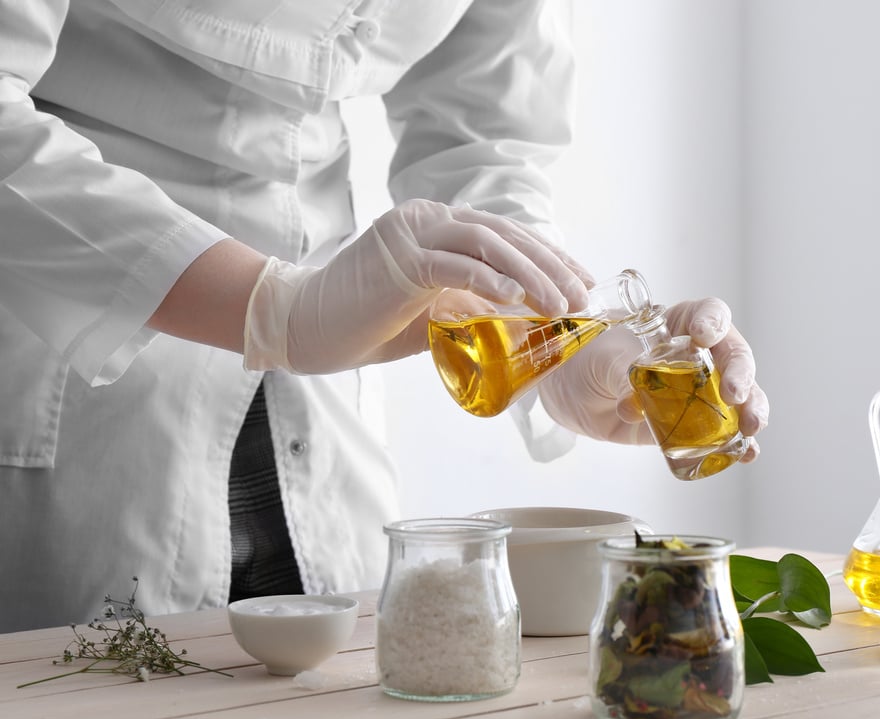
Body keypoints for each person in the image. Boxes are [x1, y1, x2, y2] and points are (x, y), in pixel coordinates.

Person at [0, 0, 769, 633]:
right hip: (82, 340)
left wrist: (552, 345)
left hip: (324, 398)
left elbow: (483, 137)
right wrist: (275, 308)